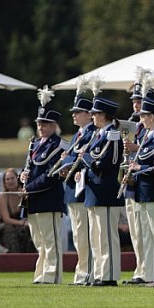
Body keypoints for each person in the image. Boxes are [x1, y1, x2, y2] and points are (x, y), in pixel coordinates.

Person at [127, 96, 154, 288]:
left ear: (152, 117)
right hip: (144, 193)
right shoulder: (146, 138)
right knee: (148, 235)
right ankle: (152, 274)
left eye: (144, 115)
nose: (141, 119)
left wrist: (138, 168)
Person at [21, 90, 65, 285]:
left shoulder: (58, 145)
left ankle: (52, 275)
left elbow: (51, 175)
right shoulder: (35, 143)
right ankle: (41, 274)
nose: (40, 127)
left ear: (54, 125)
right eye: (39, 123)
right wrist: (23, 175)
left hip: (48, 198)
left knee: (51, 240)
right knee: (39, 241)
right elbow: (30, 166)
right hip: (34, 199)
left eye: (45, 123)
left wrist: (29, 186)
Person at [83, 96, 124, 286]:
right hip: (93, 191)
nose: (92, 117)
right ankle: (99, 273)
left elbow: (107, 165)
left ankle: (109, 275)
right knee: (96, 237)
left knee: (107, 236)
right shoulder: (97, 135)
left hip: (105, 191)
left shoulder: (112, 136)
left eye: (95, 114)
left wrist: (87, 160)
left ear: (103, 115)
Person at [121, 77, 154, 285]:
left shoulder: (149, 128)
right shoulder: (133, 124)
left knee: (145, 230)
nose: (135, 103)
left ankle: (147, 270)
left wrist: (136, 149)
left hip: (143, 178)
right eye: (134, 99)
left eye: (139, 99)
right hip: (130, 179)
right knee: (135, 230)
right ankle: (140, 268)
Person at [59, 89, 96, 285]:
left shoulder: (91, 133)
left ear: (89, 114)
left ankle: (87, 272)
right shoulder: (77, 135)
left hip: (82, 188)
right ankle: (82, 271)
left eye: (78, 111)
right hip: (73, 188)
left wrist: (70, 160)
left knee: (84, 235)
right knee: (78, 235)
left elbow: (86, 157)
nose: (74, 115)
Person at [0, 167, 33, 253]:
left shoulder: (24, 193)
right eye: (7, 179)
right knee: (9, 230)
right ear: (4, 182)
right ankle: (14, 257)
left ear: (17, 179)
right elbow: (6, 219)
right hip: (5, 225)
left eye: (12, 178)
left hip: (22, 224)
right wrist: (24, 223)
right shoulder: (2, 197)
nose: (10, 181)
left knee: (28, 230)